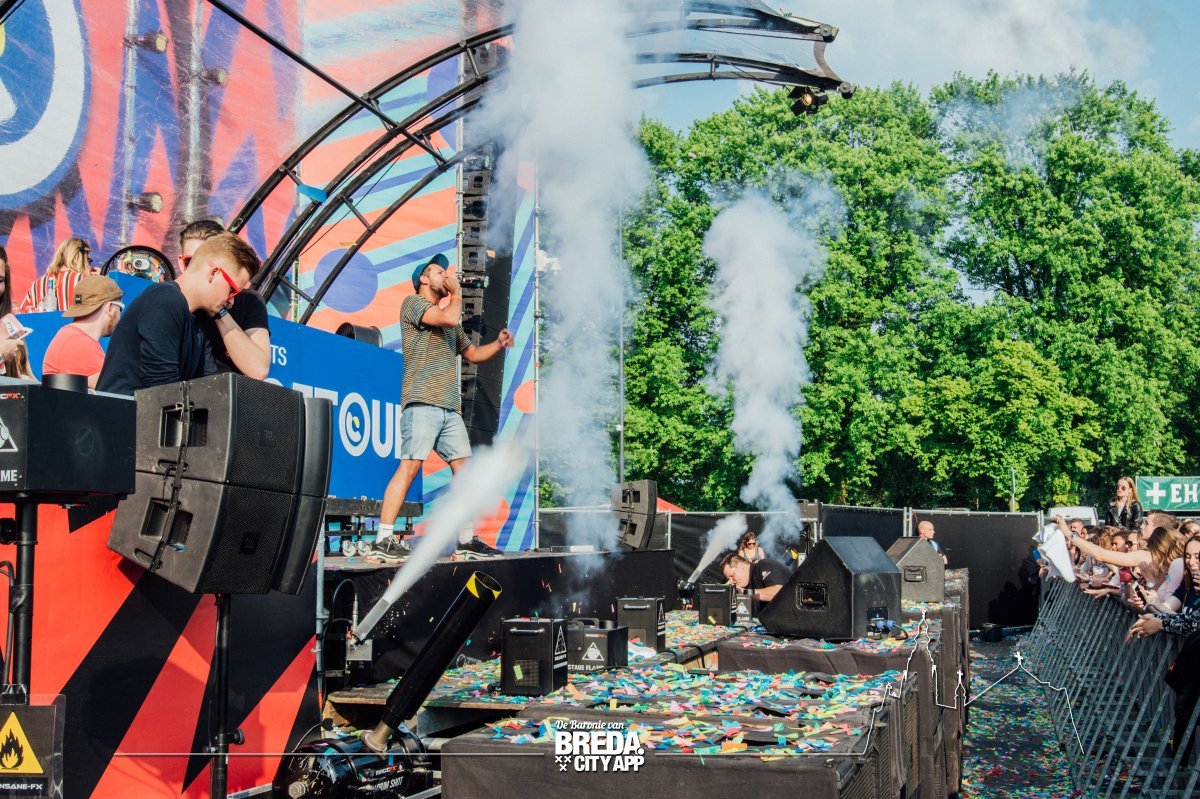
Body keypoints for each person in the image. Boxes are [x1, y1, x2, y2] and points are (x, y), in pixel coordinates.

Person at [373, 254, 514, 556]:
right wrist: (457, 293)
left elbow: (472, 354)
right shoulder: (413, 304)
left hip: (450, 407)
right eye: (438, 271)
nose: (445, 275)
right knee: (410, 466)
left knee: (464, 471)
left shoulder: (449, 318)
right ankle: (383, 538)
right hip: (422, 400)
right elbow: (449, 317)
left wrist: (498, 344)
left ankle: (465, 539)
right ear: (423, 279)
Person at [97, 233, 259, 395]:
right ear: (214, 273)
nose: (231, 302)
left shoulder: (198, 320)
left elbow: (210, 389)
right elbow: (162, 392)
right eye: (232, 291)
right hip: (123, 409)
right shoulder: (165, 301)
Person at [1127, 534, 1200, 756]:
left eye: (1198, 556)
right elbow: (1175, 612)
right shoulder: (1189, 585)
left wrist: (1161, 622)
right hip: (1190, 671)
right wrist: (1151, 610)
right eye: (1188, 556)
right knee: (1184, 712)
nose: (1192, 562)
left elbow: (1195, 623)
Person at [180, 220, 271, 379]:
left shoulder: (248, 300)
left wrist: (219, 309)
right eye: (190, 261)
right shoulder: (170, 300)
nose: (200, 270)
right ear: (181, 263)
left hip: (224, 391)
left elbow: (258, 369)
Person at [1065, 513, 1186, 606]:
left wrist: (1068, 533)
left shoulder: (1148, 556)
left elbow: (1101, 555)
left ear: (1157, 529)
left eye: (1146, 523)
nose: (1141, 526)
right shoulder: (1153, 555)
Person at [41, 276, 123, 388]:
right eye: (120, 308)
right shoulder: (78, 342)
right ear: (110, 308)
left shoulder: (72, 336)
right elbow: (114, 388)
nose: (119, 316)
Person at [17, 237, 93, 312]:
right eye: (88, 260)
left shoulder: (37, 284)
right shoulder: (84, 281)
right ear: (81, 258)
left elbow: (22, 313)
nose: (89, 265)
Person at [720, 552, 788, 602]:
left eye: (731, 575)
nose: (731, 581)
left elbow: (778, 592)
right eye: (728, 579)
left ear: (741, 566)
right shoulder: (745, 585)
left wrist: (745, 592)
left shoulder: (764, 565)